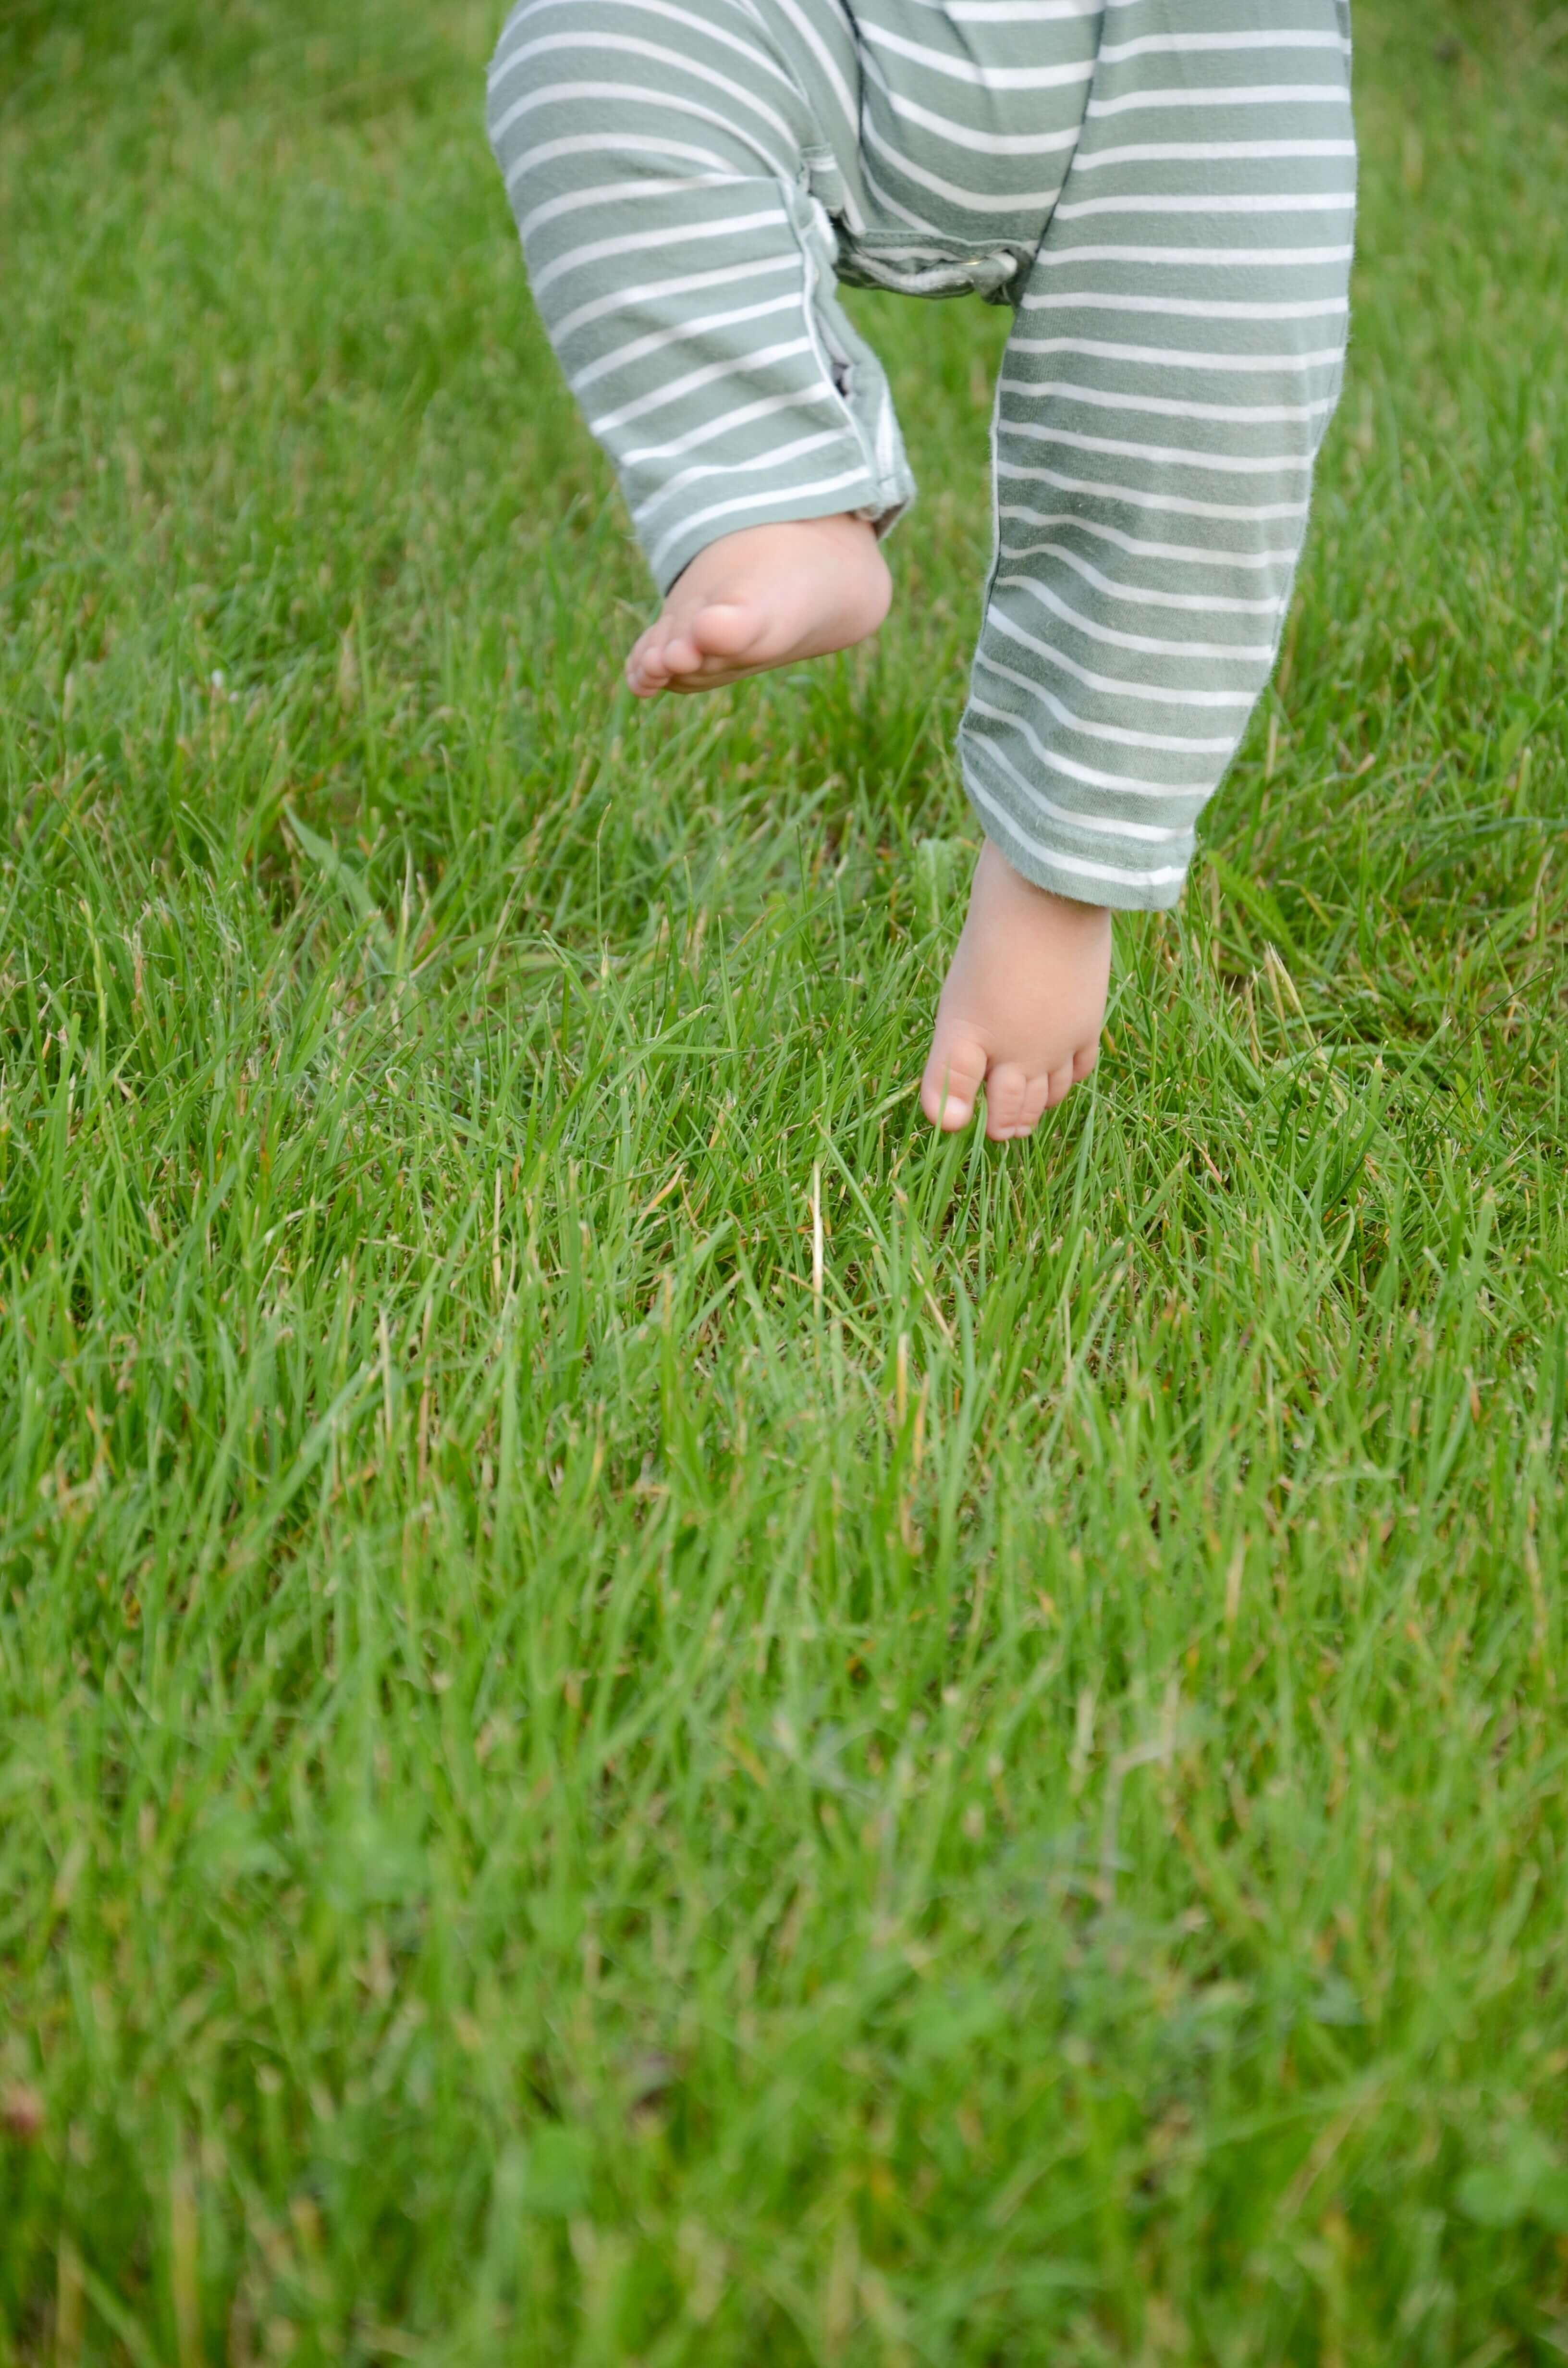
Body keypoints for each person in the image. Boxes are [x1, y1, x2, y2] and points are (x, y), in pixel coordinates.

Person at [487, 0, 1355, 1140]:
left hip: (1196, 54)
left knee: (1188, 403)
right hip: (853, 27)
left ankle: (1058, 872)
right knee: (598, 41)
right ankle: (775, 490)